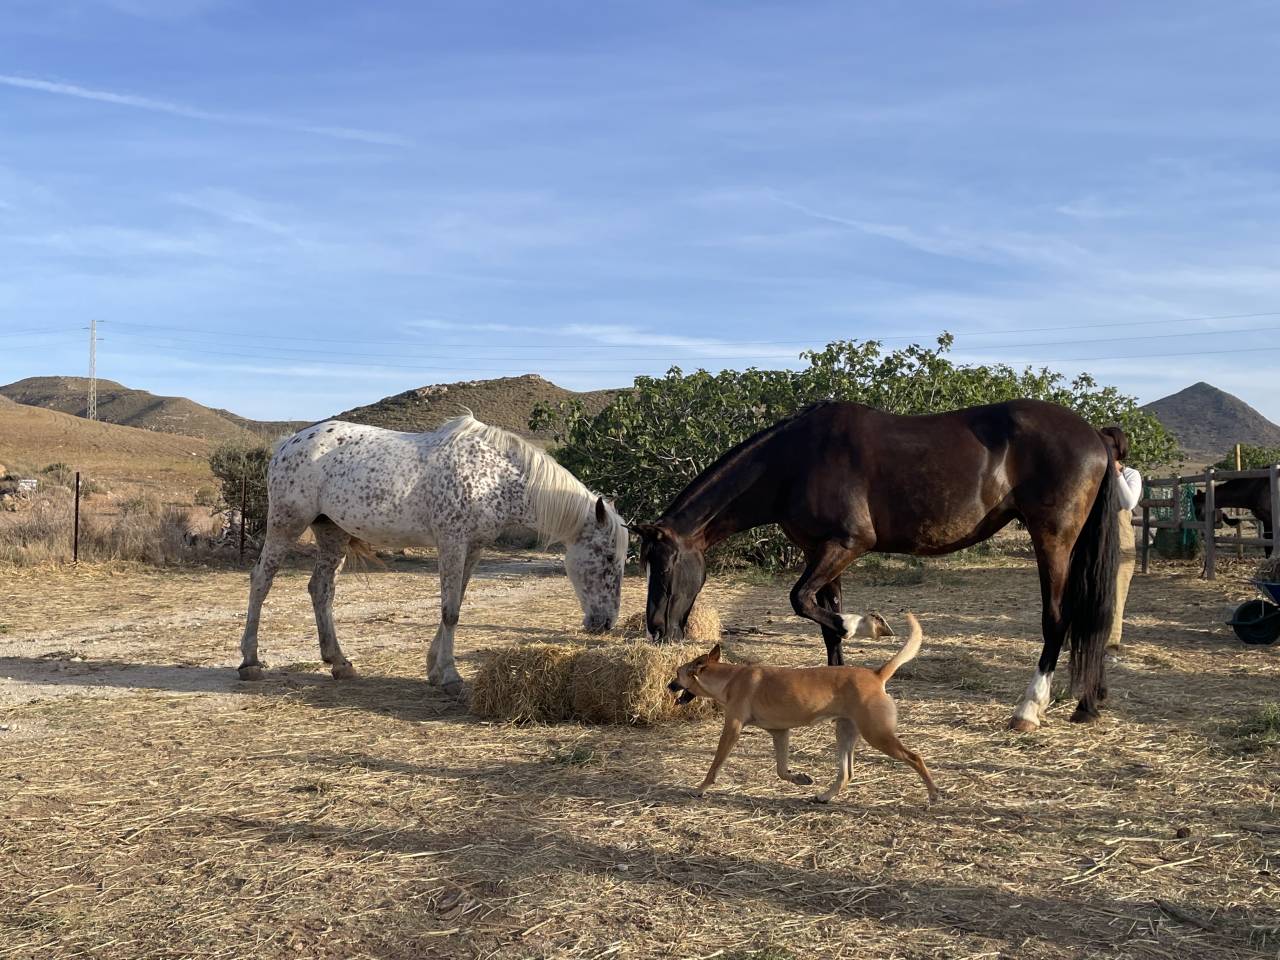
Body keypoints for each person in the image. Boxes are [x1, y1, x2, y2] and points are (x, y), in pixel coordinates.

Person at [1099, 426, 1143, 653]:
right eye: (1103, 444)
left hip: (1120, 543)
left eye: (1112, 446)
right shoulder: (1093, 471)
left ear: (1120, 448)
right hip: (1095, 542)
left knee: (1116, 596)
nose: (1107, 449)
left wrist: (1116, 474)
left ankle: (1111, 645)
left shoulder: (1131, 474)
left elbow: (1128, 502)